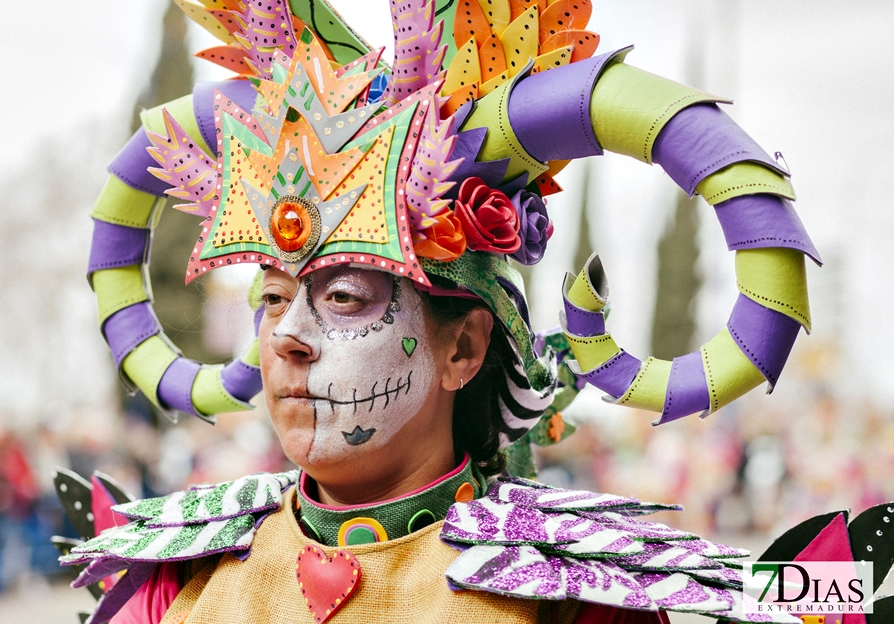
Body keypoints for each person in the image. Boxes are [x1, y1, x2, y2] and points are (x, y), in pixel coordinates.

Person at [59, 0, 830, 622]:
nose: (287, 338)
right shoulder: (172, 581)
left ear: (462, 349)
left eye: (343, 299)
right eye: (270, 300)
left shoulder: (576, 603)